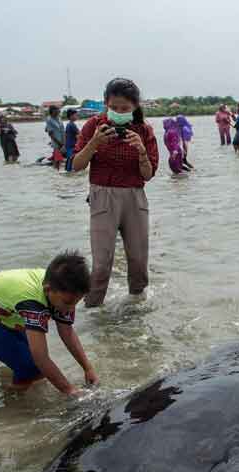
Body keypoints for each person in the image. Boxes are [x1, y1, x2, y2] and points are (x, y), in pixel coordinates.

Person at [0, 252, 97, 395]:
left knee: (33, 368)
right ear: (47, 290)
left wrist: (88, 368)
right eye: (68, 303)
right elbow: (40, 357)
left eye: (76, 303)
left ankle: (13, 386)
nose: (71, 309)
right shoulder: (33, 303)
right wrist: (69, 391)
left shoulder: (61, 289)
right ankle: (14, 404)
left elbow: (67, 331)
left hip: (4, 310)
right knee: (30, 367)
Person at [71, 77, 159, 304]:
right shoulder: (93, 125)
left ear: (135, 107)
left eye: (125, 109)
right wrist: (94, 143)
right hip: (102, 195)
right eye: (113, 108)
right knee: (101, 264)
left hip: (134, 197)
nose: (119, 112)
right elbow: (76, 166)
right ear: (105, 104)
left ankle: (135, 311)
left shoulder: (144, 130)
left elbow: (148, 175)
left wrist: (141, 151)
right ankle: (92, 311)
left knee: (139, 262)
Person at [44, 105, 65, 170]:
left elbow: (63, 131)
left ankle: (55, 174)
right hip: (56, 143)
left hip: (62, 142)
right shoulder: (49, 120)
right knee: (58, 161)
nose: (58, 111)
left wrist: (64, 143)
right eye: (57, 110)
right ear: (52, 111)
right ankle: (56, 173)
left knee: (59, 159)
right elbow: (51, 135)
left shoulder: (59, 119)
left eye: (58, 110)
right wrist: (60, 144)